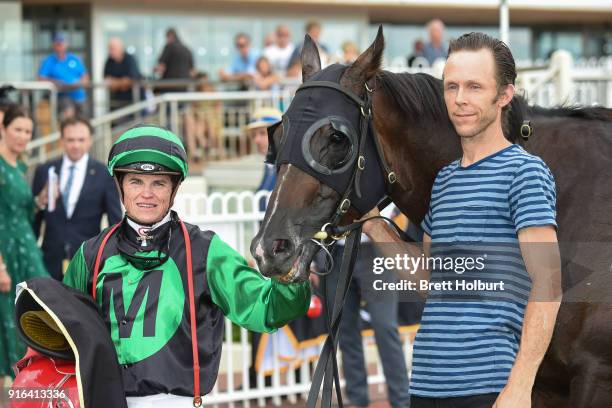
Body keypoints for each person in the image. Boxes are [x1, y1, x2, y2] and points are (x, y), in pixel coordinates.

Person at [363, 32, 561, 408]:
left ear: (503, 95)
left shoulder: (525, 173)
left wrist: (520, 385)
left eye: (474, 87)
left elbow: (548, 285)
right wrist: (374, 225)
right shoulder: (444, 180)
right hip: (425, 384)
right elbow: (429, 282)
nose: (459, 100)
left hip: (490, 386)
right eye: (451, 87)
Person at [62, 124, 311, 405]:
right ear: (120, 185)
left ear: (174, 188)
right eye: (136, 181)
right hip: (102, 399)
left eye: (159, 182)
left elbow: (266, 309)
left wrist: (290, 271)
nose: (147, 194)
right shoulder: (90, 253)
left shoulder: (205, 249)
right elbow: (64, 332)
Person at [325, 206, 411, 408]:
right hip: (337, 250)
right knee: (344, 330)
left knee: (385, 326)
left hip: (375, 249)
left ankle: (402, 401)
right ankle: (357, 399)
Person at [32, 117, 122, 281]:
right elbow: (35, 220)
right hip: (48, 261)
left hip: (87, 261)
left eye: (81, 140)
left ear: (90, 140)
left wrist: (111, 261)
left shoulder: (104, 175)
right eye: (70, 140)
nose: (76, 145)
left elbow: (115, 222)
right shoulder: (45, 171)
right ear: (62, 141)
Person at [0, 105, 50, 387]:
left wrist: (38, 202)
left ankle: (29, 390)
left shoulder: (20, 165)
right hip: (6, 252)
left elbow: (19, 209)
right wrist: (0, 266)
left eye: (27, 132)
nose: (22, 136)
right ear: (3, 129)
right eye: (17, 129)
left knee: (35, 314)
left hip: (26, 248)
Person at [38, 32, 89, 119]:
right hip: (62, 96)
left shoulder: (74, 59)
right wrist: (57, 83)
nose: (60, 46)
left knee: (83, 120)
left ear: (66, 44)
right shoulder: (49, 61)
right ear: (54, 45)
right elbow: (41, 78)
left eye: (61, 43)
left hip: (79, 96)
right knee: (69, 117)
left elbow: (85, 76)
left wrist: (79, 83)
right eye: (57, 44)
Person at [104, 37, 143, 110]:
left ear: (121, 48)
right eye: (109, 49)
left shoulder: (130, 59)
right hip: (115, 103)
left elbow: (131, 80)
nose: (110, 51)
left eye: (113, 48)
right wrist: (121, 83)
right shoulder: (109, 61)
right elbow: (107, 81)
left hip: (132, 102)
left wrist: (116, 83)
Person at [155, 28, 194, 93]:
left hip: (169, 85)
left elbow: (161, 67)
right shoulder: (187, 49)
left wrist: (155, 70)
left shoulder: (169, 47)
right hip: (184, 85)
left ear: (170, 36)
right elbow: (192, 71)